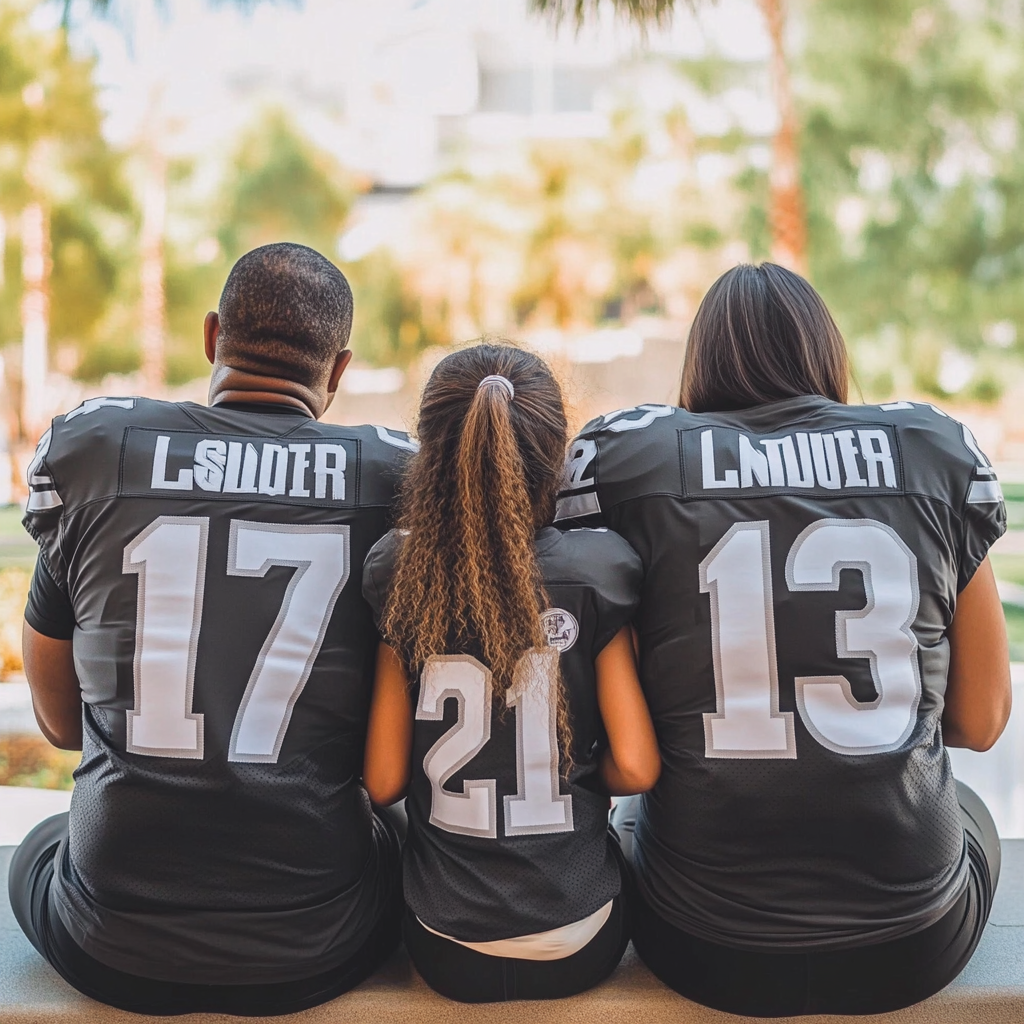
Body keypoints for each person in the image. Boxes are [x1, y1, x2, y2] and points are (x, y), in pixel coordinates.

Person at [556, 263, 1011, 1017]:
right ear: (826, 355)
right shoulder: (932, 450)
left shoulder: (626, 457)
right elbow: (980, 722)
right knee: (964, 805)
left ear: (701, 362)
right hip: (913, 947)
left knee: (646, 808)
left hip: (701, 947)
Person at [10, 242, 418, 1016]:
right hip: (316, 947)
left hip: (111, 945)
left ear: (210, 337)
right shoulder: (393, 474)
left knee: (38, 847)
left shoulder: (97, 449)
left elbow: (61, 725)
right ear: (337, 371)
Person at [360, 343, 661, 1003]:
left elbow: (382, 781)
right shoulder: (596, 572)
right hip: (580, 940)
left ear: (431, 459)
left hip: (445, 947)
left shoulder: (395, 572)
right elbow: (638, 769)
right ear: (555, 452)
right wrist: (574, 780)